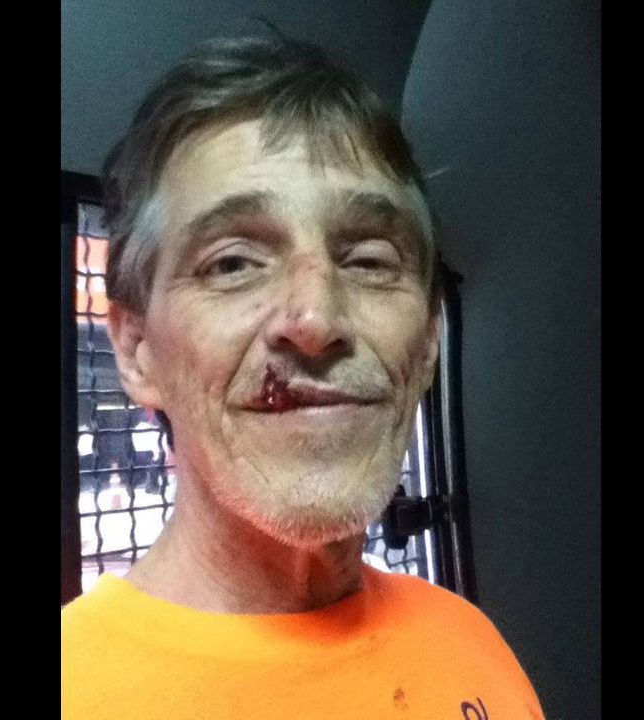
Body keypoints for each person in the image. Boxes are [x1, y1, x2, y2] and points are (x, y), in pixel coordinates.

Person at [62, 35, 545, 720]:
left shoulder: (472, 640)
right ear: (137, 352)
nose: (316, 318)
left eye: (370, 260)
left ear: (429, 341)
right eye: (232, 263)